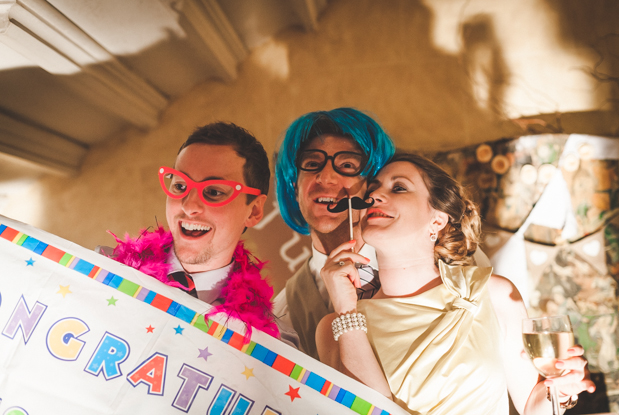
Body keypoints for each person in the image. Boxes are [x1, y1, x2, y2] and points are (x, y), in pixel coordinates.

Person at [316, 153, 596, 415]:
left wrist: (561, 388)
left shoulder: (493, 293)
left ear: (437, 219)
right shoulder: (333, 329)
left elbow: (532, 404)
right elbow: (371, 410)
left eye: (398, 188)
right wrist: (346, 312)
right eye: (371, 191)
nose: (375, 195)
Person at [106, 122, 293, 342]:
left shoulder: (272, 347)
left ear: (253, 210)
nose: (189, 206)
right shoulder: (100, 273)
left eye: (214, 192)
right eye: (180, 186)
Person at [272, 108, 395, 359]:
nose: (326, 177)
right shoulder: (280, 315)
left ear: (373, 185)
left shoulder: (433, 258)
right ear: (294, 187)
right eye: (312, 164)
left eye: (347, 165)